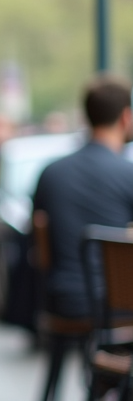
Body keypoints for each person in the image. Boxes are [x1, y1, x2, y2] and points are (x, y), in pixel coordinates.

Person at [32, 77, 133, 319]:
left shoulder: (51, 173)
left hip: (62, 299)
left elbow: (35, 239)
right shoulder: (127, 174)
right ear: (125, 117)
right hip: (119, 304)